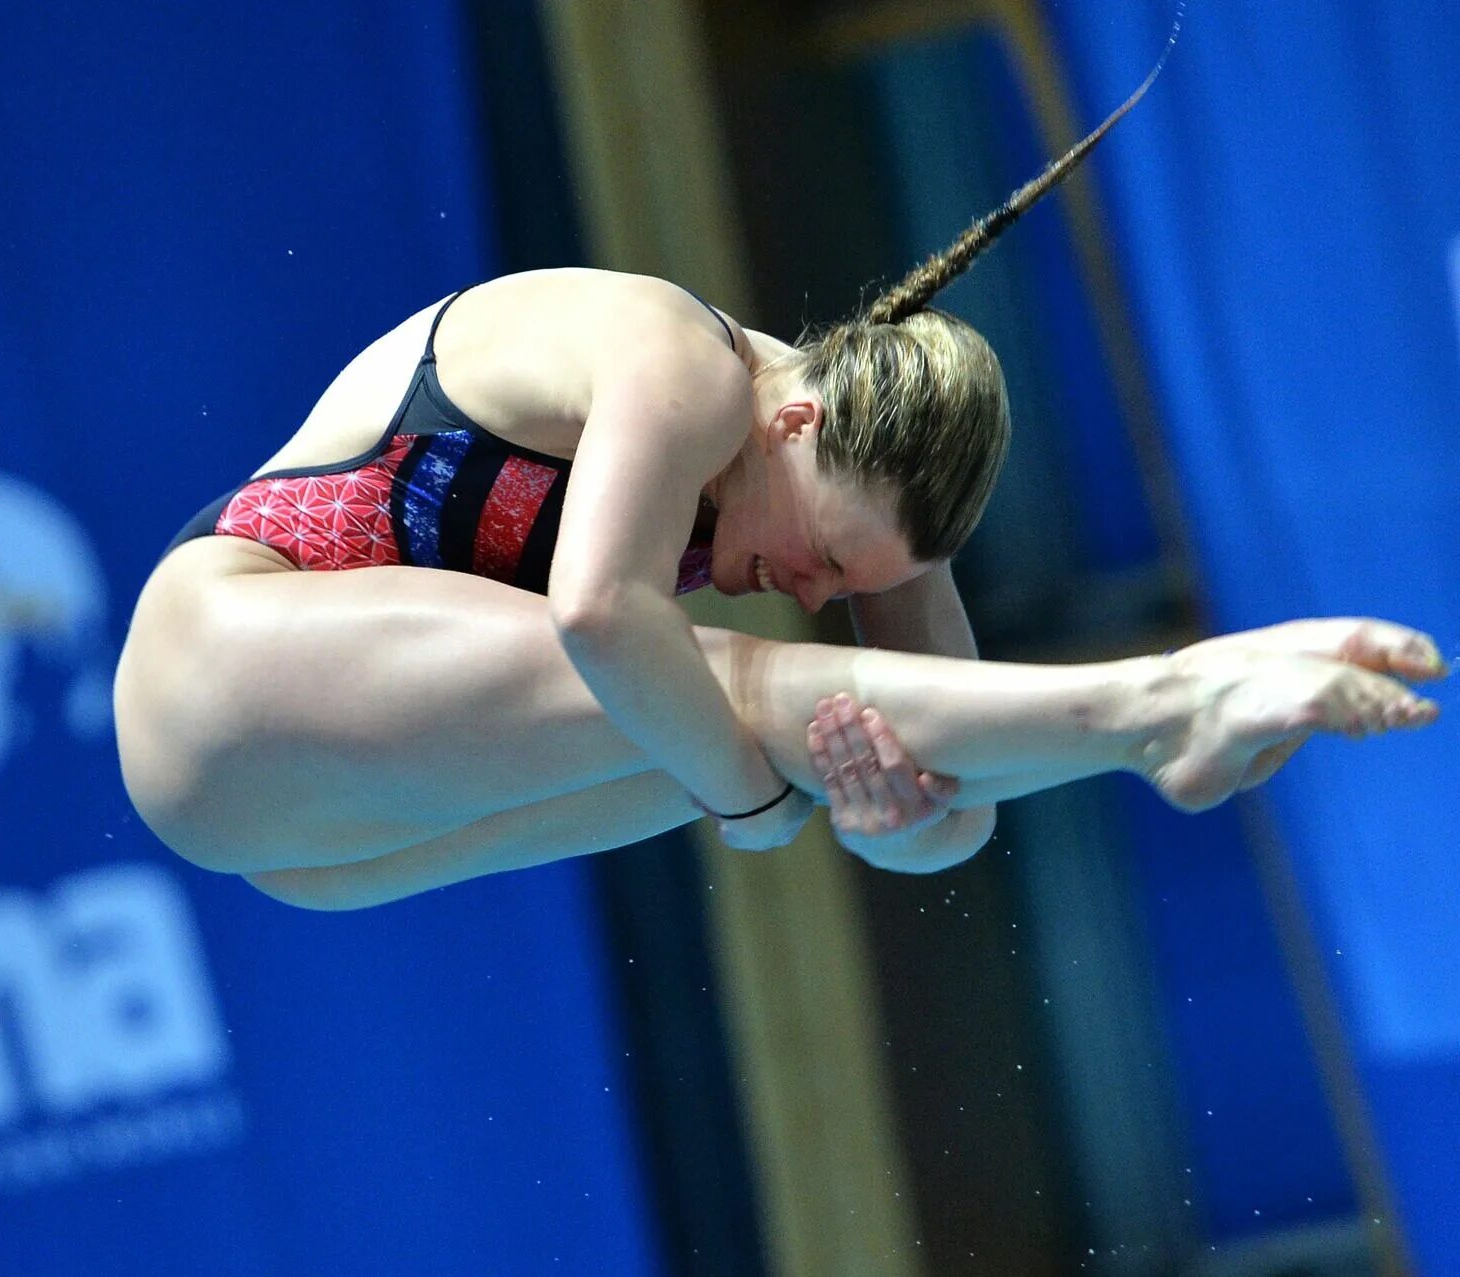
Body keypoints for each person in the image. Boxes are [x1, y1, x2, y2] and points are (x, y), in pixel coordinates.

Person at [112, 46, 1444, 911]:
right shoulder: (678, 362)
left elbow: (957, 808)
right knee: (714, 693)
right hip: (220, 664)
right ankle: (1174, 696)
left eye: (843, 581)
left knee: (770, 733)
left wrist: (880, 819)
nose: (807, 591)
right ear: (799, 417)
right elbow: (594, 611)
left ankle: (1172, 714)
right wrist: (754, 808)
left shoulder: (841, 495)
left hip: (316, 845)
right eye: (826, 557)